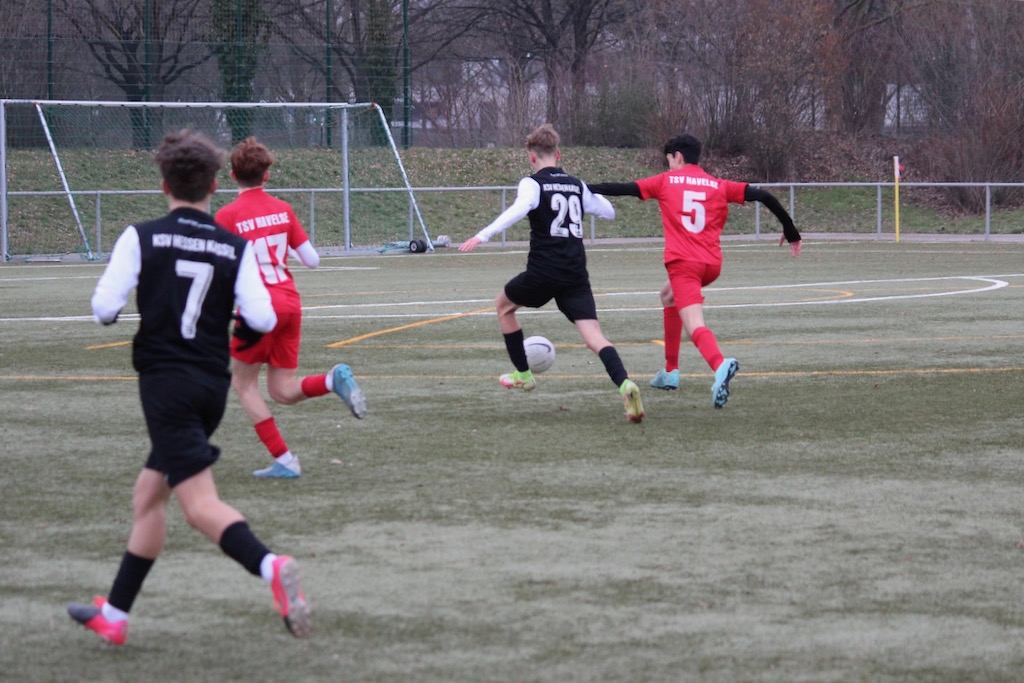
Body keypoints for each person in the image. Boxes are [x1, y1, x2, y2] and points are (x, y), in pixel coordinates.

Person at [68, 130, 311, 644]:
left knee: (199, 506)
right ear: (214, 185)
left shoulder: (141, 236)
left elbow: (104, 308)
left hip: (166, 387)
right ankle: (116, 615)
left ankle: (270, 565)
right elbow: (262, 318)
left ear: (163, 185)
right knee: (147, 496)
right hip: (210, 386)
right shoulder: (232, 246)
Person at [589, 133, 801, 408]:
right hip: (711, 265)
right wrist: (790, 229)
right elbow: (764, 195)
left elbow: (622, 188)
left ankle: (720, 365)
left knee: (694, 325)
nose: (668, 166)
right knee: (667, 296)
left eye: (669, 160)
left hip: (684, 265)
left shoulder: (665, 181)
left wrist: (581, 187)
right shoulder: (717, 184)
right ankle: (670, 371)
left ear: (678, 157)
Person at [459, 123, 645, 423]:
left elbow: (520, 208)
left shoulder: (532, 183)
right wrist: (583, 191)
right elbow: (609, 212)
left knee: (503, 306)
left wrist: (483, 235)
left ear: (532, 156)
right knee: (594, 337)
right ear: (558, 154)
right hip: (575, 274)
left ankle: (523, 375)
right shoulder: (576, 184)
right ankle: (625, 384)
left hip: (544, 272)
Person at [215, 137, 366, 480]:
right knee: (282, 391)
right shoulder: (283, 209)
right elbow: (312, 260)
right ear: (267, 175)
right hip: (290, 303)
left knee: (243, 385)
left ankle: (285, 459)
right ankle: (331, 380)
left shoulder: (226, 215)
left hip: (258, 309)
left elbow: (220, 269)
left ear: (233, 175)